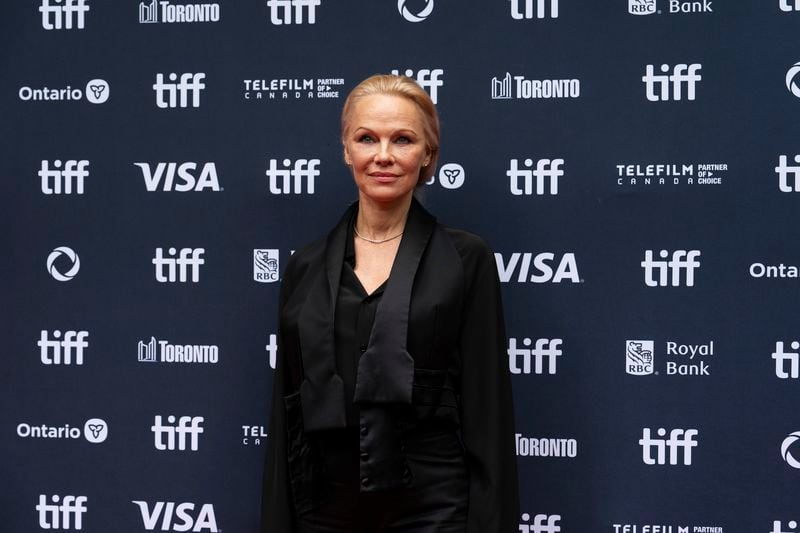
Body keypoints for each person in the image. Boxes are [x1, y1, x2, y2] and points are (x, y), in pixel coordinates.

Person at [261, 74, 519, 532]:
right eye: (367, 138)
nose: (383, 155)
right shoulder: (304, 266)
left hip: (433, 513)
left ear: (428, 155)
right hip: (322, 513)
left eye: (402, 139)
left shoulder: (465, 259)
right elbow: (288, 418)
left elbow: (488, 414)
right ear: (346, 151)